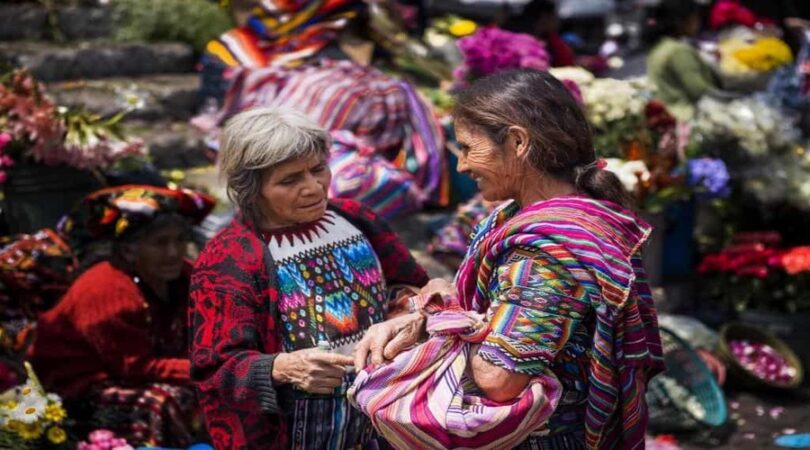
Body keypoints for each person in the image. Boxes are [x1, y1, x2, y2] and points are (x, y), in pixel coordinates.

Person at [354, 69, 664, 449]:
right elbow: (506, 306)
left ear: (518, 142)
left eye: (468, 148)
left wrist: (436, 327)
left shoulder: (547, 252)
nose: (461, 166)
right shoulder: (530, 216)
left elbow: (499, 378)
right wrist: (429, 312)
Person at [188, 107, 429, 449]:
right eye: (289, 180)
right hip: (296, 431)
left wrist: (412, 311)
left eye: (318, 169)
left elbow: (413, 283)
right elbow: (214, 368)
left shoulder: (357, 219)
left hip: (384, 416)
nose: (313, 187)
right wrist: (283, 367)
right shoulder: (230, 259)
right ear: (251, 188)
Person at [31, 185, 215, 447]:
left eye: (179, 240)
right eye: (160, 243)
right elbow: (134, 366)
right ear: (129, 250)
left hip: (139, 370)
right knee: (163, 401)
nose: (174, 252)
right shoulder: (107, 288)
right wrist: (207, 369)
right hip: (81, 383)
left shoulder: (184, 276)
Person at [646, 0, 732, 120]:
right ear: (683, 21)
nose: (698, 22)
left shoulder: (660, 47)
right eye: (695, 17)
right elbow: (699, 90)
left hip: (668, 114)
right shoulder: (679, 51)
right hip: (687, 117)